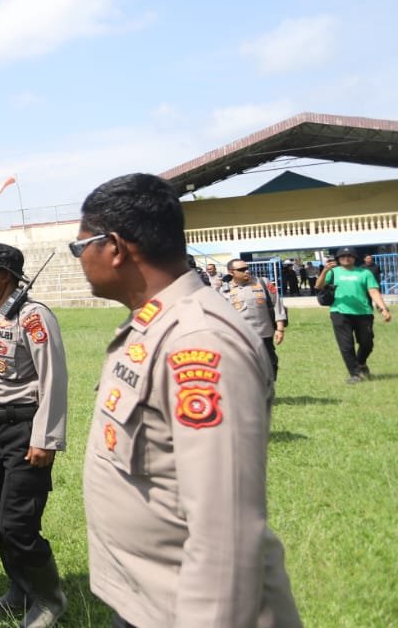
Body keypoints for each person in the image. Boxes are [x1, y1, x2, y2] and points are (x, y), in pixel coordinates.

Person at [73, 174, 301, 627]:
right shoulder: (154, 323)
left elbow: (225, 532)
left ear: (114, 248)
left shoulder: (199, 341)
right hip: (149, 600)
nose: (79, 259)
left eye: (80, 247)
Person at [0, 243, 68, 628]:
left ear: (5, 276)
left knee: (18, 523)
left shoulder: (33, 316)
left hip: (26, 430)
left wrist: (45, 438)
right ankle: (20, 589)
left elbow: (53, 378)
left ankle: (50, 599)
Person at [315, 248, 391, 383]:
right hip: (339, 312)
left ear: (355, 258)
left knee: (367, 343)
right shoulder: (333, 272)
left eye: (350, 256)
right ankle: (355, 374)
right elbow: (319, 286)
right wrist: (325, 271)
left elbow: (373, 291)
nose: (346, 258)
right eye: (343, 256)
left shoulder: (365, 273)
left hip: (364, 312)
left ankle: (361, 363)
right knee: (346, 345)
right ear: (338, 258)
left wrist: (383, 308)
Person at [220, 258, 288, 381]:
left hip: (264, 335)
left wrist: (280, 329)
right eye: (241, 269)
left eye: (247, 268)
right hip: (240, 337)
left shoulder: (262, 283)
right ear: (231, 272)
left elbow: (277, 304)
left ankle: (268, 388)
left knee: (270, 366)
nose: (246, 271)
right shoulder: (224, 291)